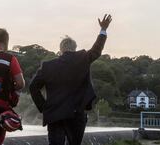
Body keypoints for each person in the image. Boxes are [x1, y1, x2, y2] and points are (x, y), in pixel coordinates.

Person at [29, 14, 112, 145]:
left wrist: (44, 107)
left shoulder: (48, 66)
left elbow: (33, 87)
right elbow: (97, 49)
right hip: (76, 113)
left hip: (54, 114)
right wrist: (103, 29)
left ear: (60, 50)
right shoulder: (83, 59)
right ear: (74, 48)